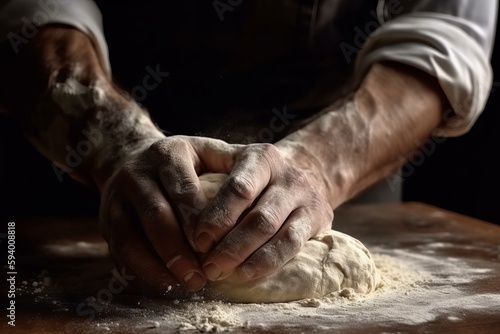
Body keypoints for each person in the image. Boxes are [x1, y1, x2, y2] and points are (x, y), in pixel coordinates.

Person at [0, 0, 497, 295]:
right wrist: (113, 143)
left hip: (342, 181)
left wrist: (318, 165)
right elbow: (32, 14)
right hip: (92, 184)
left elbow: (443, 38)